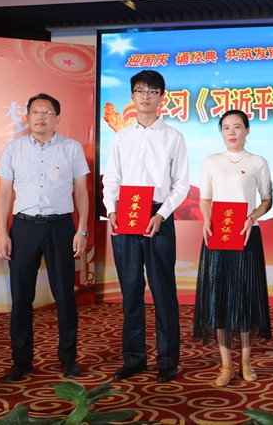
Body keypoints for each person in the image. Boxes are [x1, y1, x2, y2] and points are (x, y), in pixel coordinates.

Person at [102, 70, 189, 383]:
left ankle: (167, 360)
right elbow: (112, 177)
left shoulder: (173, 137)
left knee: (163, 290)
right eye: (140, 90)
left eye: (153, 91)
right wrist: (111, 210)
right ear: (132, 96)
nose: (146, 96)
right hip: (125, 214)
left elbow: (181, 184)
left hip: (157, 216)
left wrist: (161, 214)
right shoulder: (121, 137)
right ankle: (134, 358)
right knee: (130, 289)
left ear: (161, 97)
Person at [0, 93, 89, 382]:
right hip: (23, 228)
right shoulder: (14, 148)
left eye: (47, 112)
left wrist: (81, 229)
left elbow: (82, 192)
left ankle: (68, 359)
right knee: (21, 297)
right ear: (27, 117)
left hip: (61, 227)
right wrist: (2, 233)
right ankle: (21, 360)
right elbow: (5, 193)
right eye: (35, 111)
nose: (41, 117)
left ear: (57, 117)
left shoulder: (71, 148)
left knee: (65, 296)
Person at [193, 110, 273, 387]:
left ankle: (246, 362)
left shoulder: (258, 162)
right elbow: (205, 199)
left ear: (247, 130)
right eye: (226, 127)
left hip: (246, 235)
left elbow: (266, 200)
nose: (231, 132)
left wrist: (252, 217)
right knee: (219, 299)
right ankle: (226, 365)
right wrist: (206, 220)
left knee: (246, 298)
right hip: (217, 236)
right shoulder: (211, 161)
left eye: (237, 127)